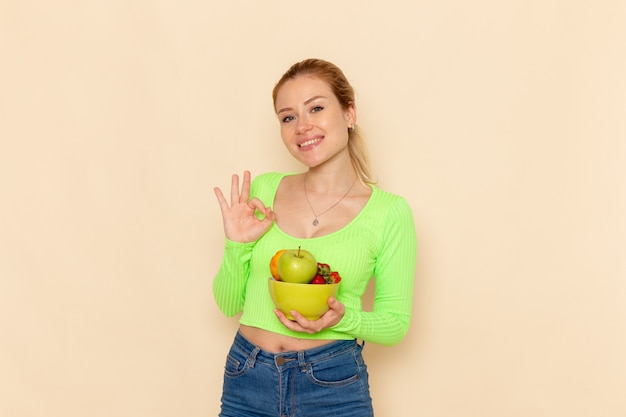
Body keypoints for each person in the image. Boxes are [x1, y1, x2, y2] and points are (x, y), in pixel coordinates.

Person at [212, 58, 417, 417]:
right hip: (248, 376)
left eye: (316, 108)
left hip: (332, 384)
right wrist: (237, 244)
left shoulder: (388, 213)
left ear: (349, 113)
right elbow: (228, 304)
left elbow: (395, 323)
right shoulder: (265, 189)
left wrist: (342, 319)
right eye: (288, 117)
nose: (302, 127)